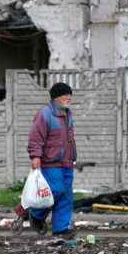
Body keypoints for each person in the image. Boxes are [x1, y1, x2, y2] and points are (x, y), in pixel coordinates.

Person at [26, 82, 77, 237]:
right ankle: (35, 214)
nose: (69, 97)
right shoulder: (45, 113)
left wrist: (73, 157)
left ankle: (60, 228)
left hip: (66, 162)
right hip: (50, 162)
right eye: (66, 94)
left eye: (70, 94)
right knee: (55, 190)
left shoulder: (67, 113)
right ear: (56, 97)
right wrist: (35, 156)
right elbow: (36, 137)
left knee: (66, 196)